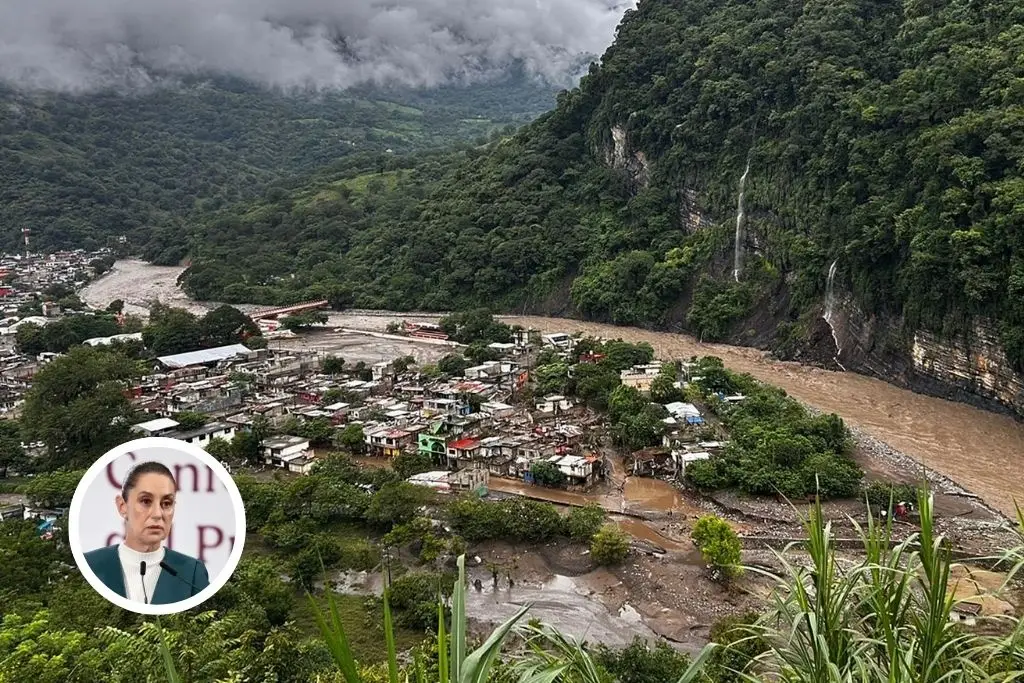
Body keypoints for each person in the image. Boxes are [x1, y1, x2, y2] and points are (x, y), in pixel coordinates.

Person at [84, 461, 210, 604]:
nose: (157, 514)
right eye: (145, 501)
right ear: (122, 506)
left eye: (167, 503)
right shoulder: (89, 565)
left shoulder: (191, 572)